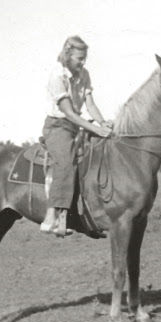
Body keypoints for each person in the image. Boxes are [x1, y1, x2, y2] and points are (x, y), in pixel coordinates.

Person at [40, 36, 112, 237]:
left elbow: (90, 104)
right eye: (79, 58)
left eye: (84, 58)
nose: (82, 62)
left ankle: (87, 214)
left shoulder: (84, 74)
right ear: (67, 55)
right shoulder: (57, 76)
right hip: (58, 126)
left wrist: (102, 122)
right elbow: (70, 113)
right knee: (66, 162)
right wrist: (95, 129)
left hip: (75, 126)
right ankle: (52, 215)